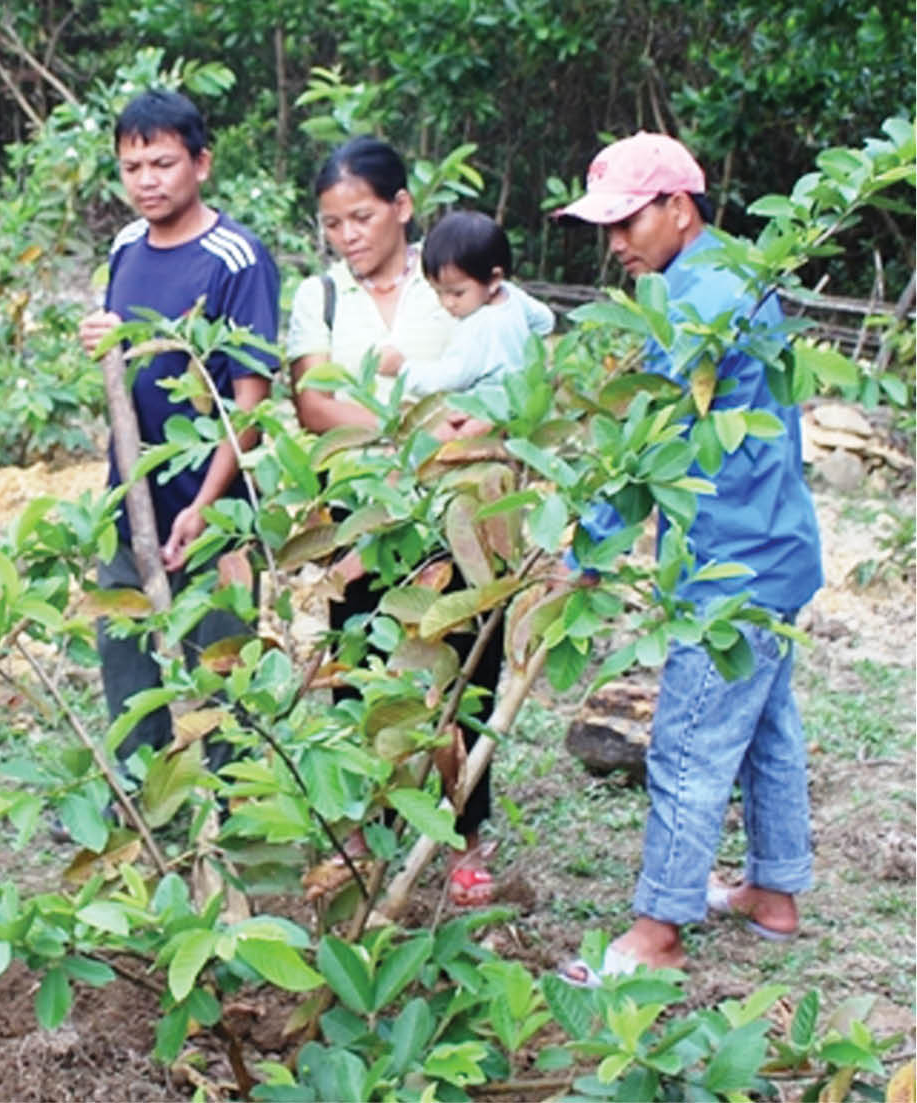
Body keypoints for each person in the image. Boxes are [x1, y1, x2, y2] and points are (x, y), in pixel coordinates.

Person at [552, 133, 822, 985]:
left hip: (730, 563)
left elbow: (652, 442)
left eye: (627, 222)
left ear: (679, 207)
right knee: (766, 726)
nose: (615, 245)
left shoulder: (699, 301)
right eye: (606, 227)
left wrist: (587, 547)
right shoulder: (739, 276)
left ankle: (659, 926)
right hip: (776, 546)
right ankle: (773, 890)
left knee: (689, 740)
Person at [285, 137, 503, 908]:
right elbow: (313, 405)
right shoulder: (320, 296)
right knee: (359, 662)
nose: (347, 235)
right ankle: (362, 826)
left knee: (463, 670)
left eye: (362, 217)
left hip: (451, 506)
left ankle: (466, 834)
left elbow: (496, 379)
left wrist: (454, 436)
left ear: (402, 207)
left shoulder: (452, 278)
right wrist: (409, 430)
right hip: (357, 512)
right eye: (333, 223)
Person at [76, 89, 279, 774]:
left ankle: (230, 808)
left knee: (220, 670)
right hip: (130, 499)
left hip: (212, 512)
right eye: (132, 168)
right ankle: (139, 802)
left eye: (163, 164)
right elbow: (127, 364)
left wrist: (203, 506)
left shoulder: (235, 259)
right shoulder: (125, 246)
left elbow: (248, 407)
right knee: (126, 660)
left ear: (202, 163)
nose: (147, 181)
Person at [406, 210, 556, 420]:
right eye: (438, 292)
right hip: (522, 398)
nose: (447, 303)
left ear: (494, 279)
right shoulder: (512, 295)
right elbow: (545, 321)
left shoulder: (478, 325)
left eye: (458, 293)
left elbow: (451, 378)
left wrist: (405, 372)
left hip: (486, 411)